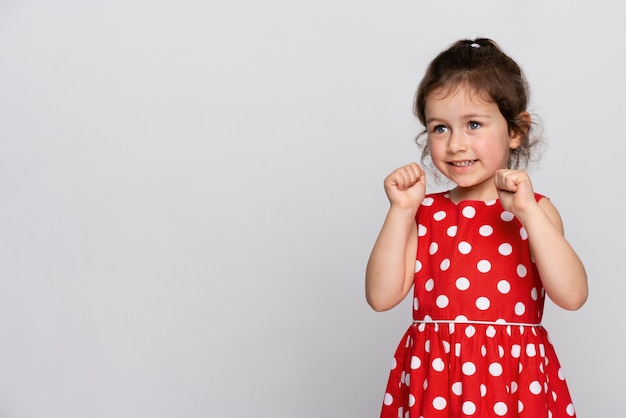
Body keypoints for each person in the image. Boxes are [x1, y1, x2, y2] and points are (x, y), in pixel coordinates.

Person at [365, 38, 588, 418]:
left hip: (514, 382)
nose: (455, 144)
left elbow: (572, 296)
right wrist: (401, 212)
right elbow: (381, 297)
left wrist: (528, 215)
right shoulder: (426, 212)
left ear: (516, 130)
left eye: (473, 124)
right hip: (436, 378)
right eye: (439, 128)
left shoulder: (534, 210)